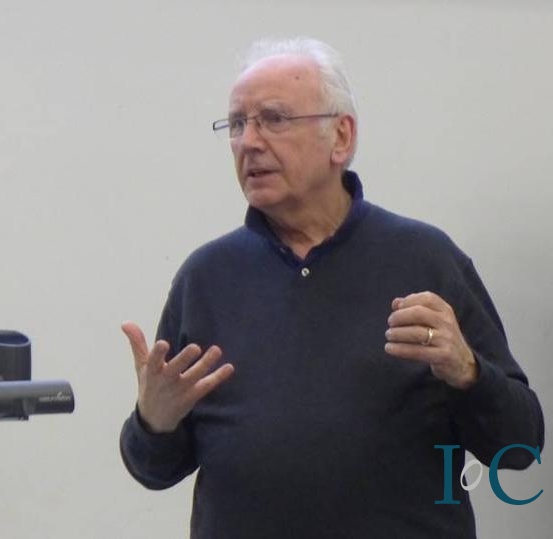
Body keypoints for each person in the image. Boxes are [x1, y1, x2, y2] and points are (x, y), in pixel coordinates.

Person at [119, 37, 544, 539]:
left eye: (273, 119)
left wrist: (467, 371)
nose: (249, 141)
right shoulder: (206, 277)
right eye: (236, 124)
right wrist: (154, 421)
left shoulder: (426, 259)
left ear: (341, 137)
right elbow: (153, 469)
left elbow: (520, 446)